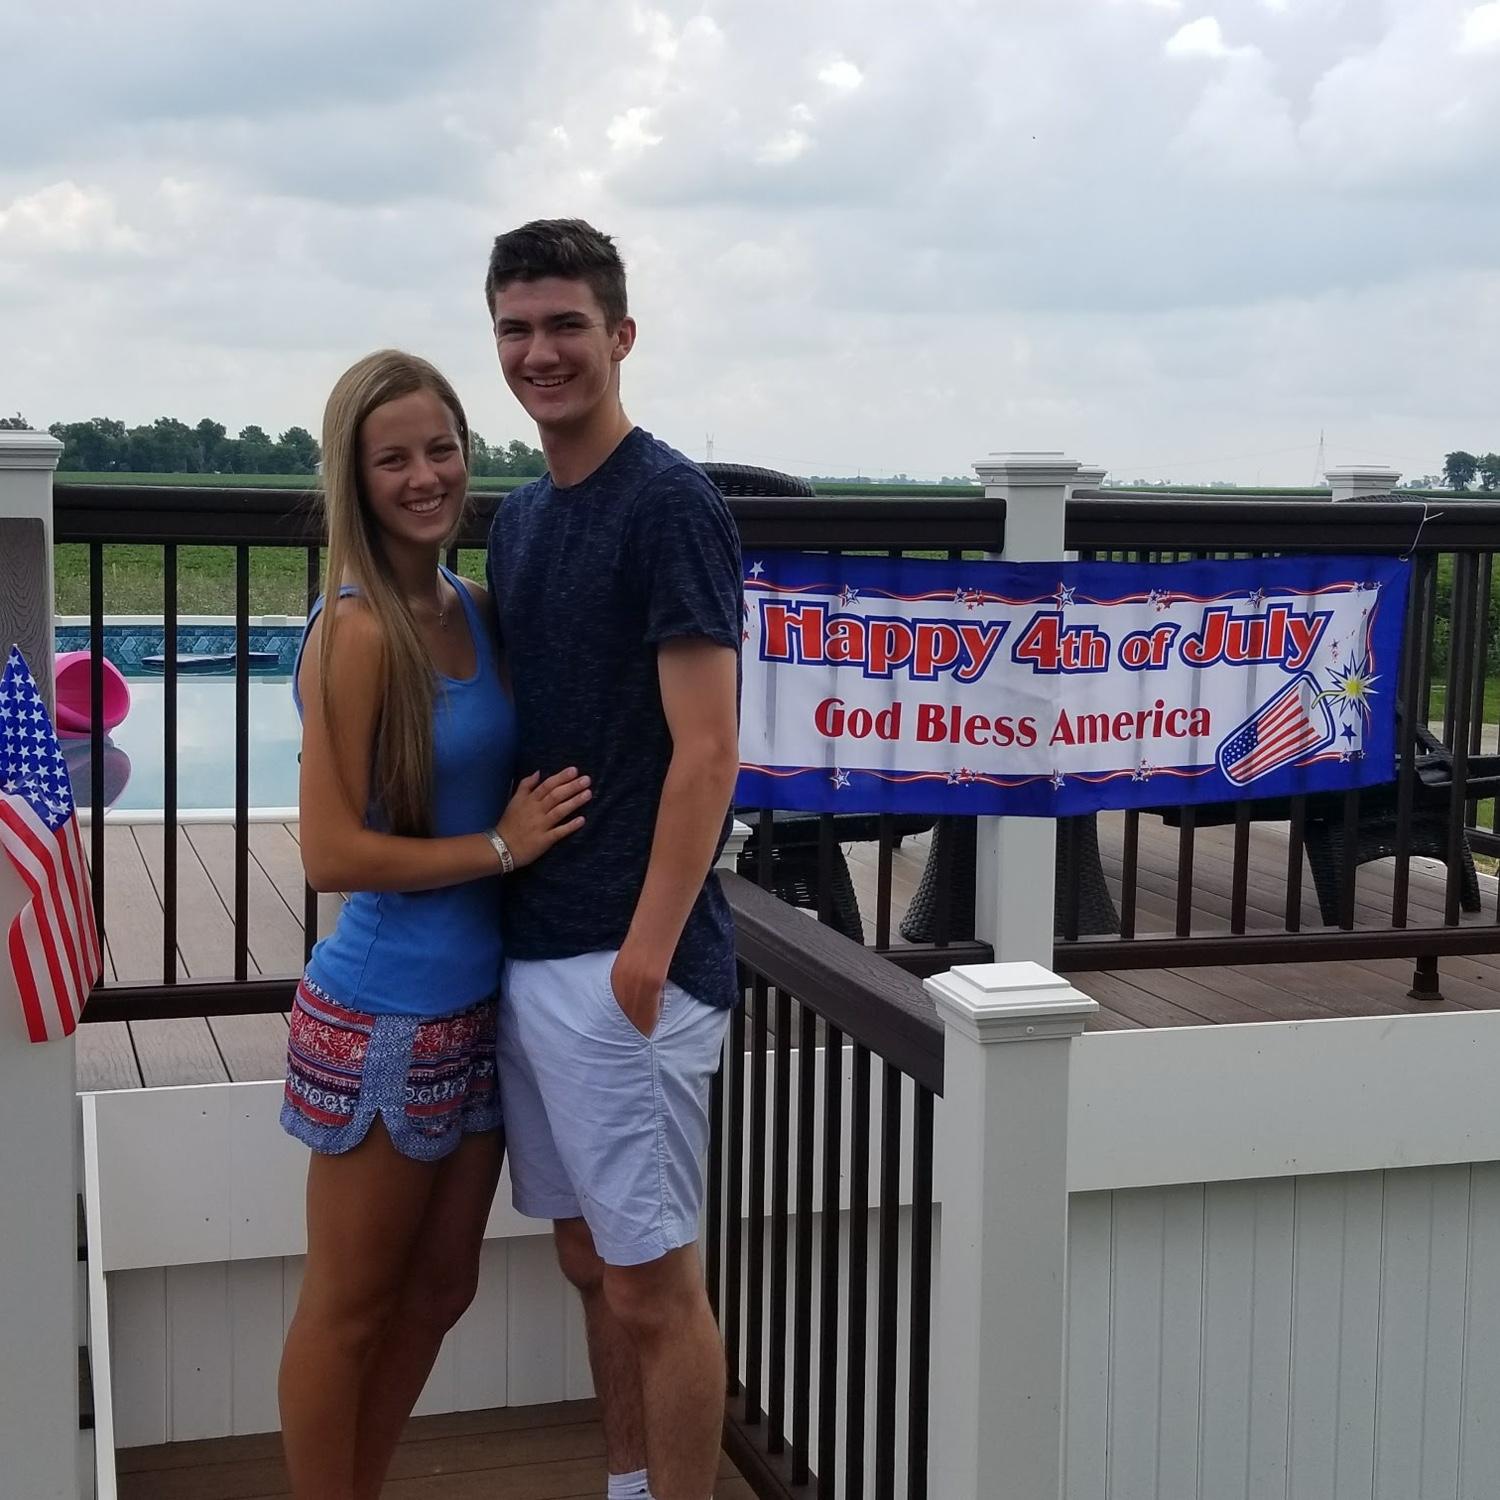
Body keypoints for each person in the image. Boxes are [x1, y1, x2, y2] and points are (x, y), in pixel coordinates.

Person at [276, 348, 592, 1500]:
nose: (425, 476)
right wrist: (500, 849)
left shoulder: (474, 607)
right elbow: (329, 854)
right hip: (383, 1016)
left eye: (442, 448)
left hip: (478, 1009)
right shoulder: (356, 634)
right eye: (393, 458)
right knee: (348, 1308)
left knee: (441, 1290)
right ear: (355, 480)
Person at [484, 220, 743, 1500]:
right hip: (536, 946)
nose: (541, 353)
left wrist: (644, 958)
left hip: (625, 970)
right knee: (590, 1261)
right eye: (517, 329)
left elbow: (708, 750)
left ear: (621, 335)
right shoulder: (521, 519)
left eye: (566, 326)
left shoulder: (669, 503)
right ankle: (628, 1482)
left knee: (655, 1288)